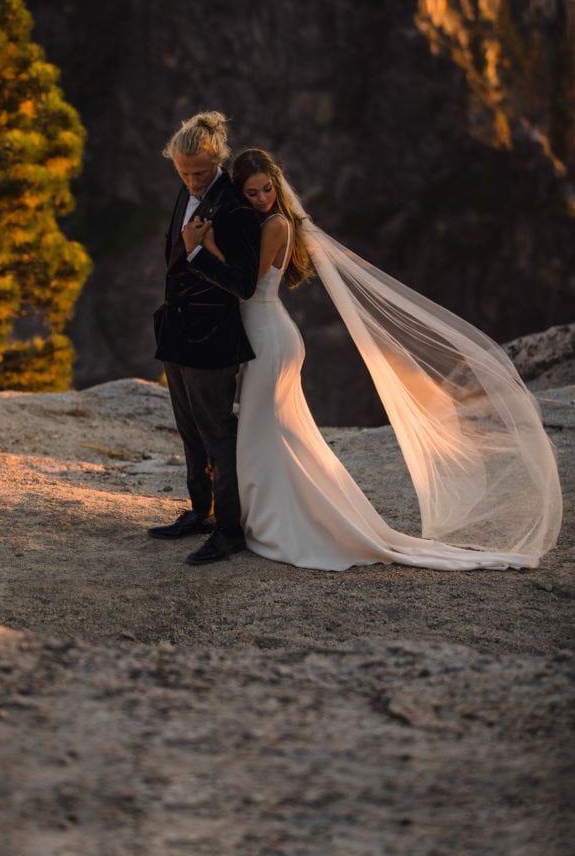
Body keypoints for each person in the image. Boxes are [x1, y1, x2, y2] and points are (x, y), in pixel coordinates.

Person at [192, 147, 562, 571]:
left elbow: (244, 284)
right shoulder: (264, 222)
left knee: (264, 431)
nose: (261, 198)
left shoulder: (275, 224)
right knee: (277, 432)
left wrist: (203, 247)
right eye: (252, 192)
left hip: (269, 338)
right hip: (268, 334)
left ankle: (279, 522)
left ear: (276, 185)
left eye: (266, 189)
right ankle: (272, 515)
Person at [149, 112, 261, 564]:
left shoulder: (235, 208)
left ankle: (229, 530)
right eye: (183, 172)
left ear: (217, 161)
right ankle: (201, 513)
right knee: (189, 432)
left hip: (213, 340)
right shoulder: (186, 189)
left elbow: (243, 284)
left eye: (199, 172)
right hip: (177, 333)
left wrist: (197, 251)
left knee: (217, 434)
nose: (192, 181)